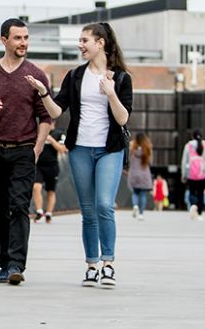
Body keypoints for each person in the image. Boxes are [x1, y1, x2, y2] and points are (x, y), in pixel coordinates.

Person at [26, 22, 132, 288]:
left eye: (85, 40)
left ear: (101, 43)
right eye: (80, 40)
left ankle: (108, 264)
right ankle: (91, 265)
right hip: (80, 149)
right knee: (88, 211)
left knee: (104, 205)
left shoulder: (120, 78)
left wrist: (110, 94)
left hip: (110, 149)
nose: (80, 45)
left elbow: (123, 118)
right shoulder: (75, 76)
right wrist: (43, 93)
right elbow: (55, 112)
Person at [0, 18, 52, 286]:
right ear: (4, 40)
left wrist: (37, 148)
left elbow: (46, 117)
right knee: (0, 209)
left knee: (19, 207)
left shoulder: (36, 75)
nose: (23, 43)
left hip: (24, 151)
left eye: (26, 38)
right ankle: (4, 263)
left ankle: (16, 264)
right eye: (18, 38)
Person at [33, 121, 66, 223]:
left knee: (50, 191)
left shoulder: (59, 134)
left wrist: (51, 140)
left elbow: (62, 149)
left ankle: (49, 213)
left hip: (52, 166)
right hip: (38, 165)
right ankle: (39, 211)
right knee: (36, 187)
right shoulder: (37, 133)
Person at [180, 129, 205, 221]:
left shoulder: (188, 146)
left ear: (192, 136)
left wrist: (184, 174)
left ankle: (193, 204)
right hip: (202, 173)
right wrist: (204, 162)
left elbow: (184, 162)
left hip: (191, 174)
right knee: (200, 193)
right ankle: (200, 213)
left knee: (192, 191)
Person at [127, 133, 153, 221]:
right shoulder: (147, 149)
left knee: (135, 192)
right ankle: (141, 214)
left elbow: (129, 160)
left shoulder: (132, 148)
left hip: (134, 173)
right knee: (142, 195)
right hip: (144, 174)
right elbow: (150, 162)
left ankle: (135, 205)